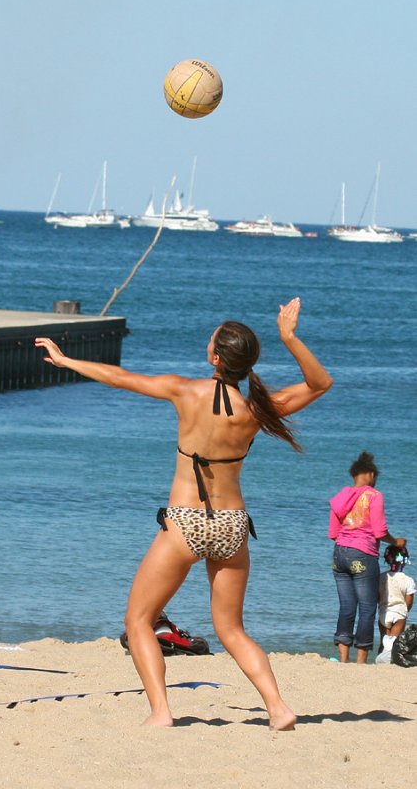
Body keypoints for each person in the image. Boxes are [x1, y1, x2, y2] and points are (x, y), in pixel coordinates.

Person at [36, 297, 333, 729]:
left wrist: (67, 361)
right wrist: (290, 337)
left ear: (215, 357)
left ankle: (160, 712)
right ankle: (278, 708)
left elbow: (121, 379)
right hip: (233, 527)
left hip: (185, 523)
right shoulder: (257, 410)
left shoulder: (186, 391)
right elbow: (320, 382)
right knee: (232, 630)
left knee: (139, 619)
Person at [328, 452, 407, 665]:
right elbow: (380, 532)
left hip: (339, 554)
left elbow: (334, 533)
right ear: (371, 474)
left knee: (346, 606)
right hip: (363, 555)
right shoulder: (374, 496)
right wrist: (396, 542)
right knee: (367, 607)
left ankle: (343, 658)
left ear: (354, 475)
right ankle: (361, 661)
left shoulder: (338, 498)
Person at [378, 545, 414, 645]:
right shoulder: (408, 580)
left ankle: (380, 658)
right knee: (394, 643)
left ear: (386, 560)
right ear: (405, 560)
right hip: (399, 614)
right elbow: (409, 601)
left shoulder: (380, 577)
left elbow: (377, 597)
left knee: (383, 642)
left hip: (383, 613)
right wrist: (405, 612)